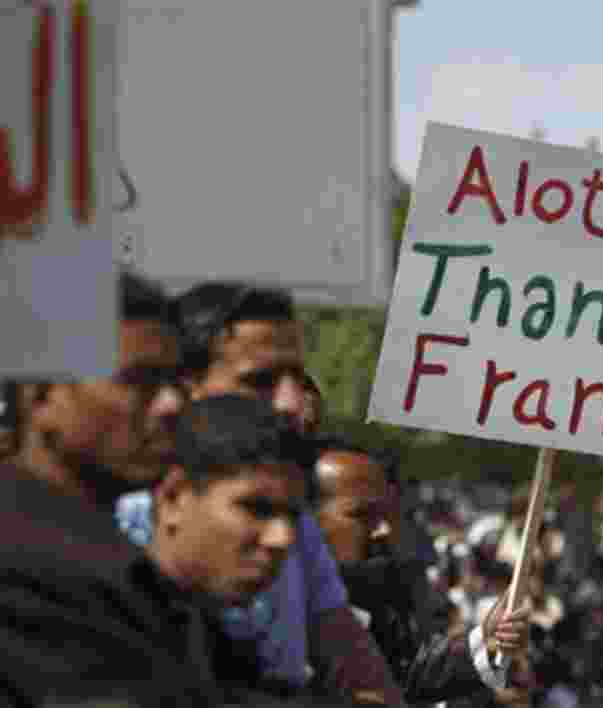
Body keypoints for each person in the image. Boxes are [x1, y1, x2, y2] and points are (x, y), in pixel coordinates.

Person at [117, 282, 405, 705]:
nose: (290, 402)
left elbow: (350, 655)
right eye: (261, 380)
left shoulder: (292, 517)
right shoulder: (116, 516)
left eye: (296, 378)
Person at [0, 272, 230, 707]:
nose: (171, 405)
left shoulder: (97, 556)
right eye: (139, 381)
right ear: (43, 394)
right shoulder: (28, 570)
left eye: (175, 383)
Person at [314, 443, 530, 707]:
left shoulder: (371, 599)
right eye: (362, 515)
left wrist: (486, 640)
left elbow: (401, 676)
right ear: (308, 517)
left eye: (385, 515)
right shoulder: (276, 610)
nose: (383, 530)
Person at [146, 394, 317, 692]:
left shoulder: (216, 650)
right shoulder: (97, 636)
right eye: (256, 508)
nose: (282, 539)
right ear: (173, 498)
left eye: (291, 517)